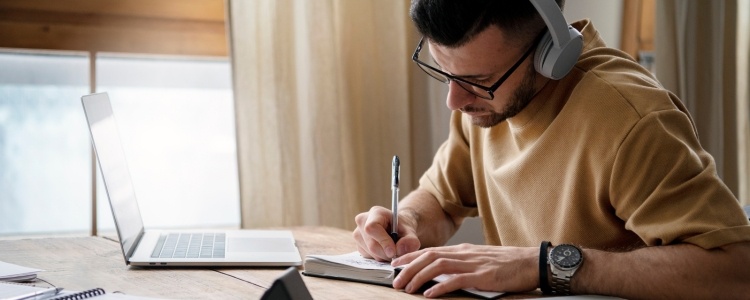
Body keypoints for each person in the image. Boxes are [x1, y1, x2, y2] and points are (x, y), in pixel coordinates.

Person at [352, 0, 750, 298]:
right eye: (444, 71)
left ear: (549, 55)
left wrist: (546, 264)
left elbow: (736, 271)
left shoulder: (633, 120)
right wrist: (408, 225)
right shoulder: (483, 105)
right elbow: (440, 200)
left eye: (477, 80)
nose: (453, 101)